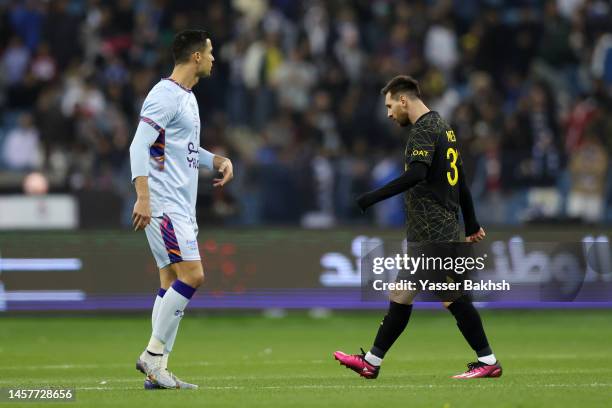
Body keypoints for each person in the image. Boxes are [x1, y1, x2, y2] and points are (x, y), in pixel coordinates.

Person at [333, 75, 501, 379]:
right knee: (401, 295)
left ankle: (488, 361)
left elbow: (417, 174)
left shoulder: (423, 130)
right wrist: (472, 222)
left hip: (435, 231)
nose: (388, 113)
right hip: (433, 230)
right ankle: (371, 362)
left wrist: (371, 197)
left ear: (403, 100)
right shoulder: (443, 128)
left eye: (389, 106)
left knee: (451, 297)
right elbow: (460, 180)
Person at [129, 29, 234, 389]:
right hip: (164, 204)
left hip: (178, 206)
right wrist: (142, 196)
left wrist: (215, 159)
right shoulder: (164, 94)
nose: (214, 58)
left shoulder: (187, 98)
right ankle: (153, 356)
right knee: (193, 276)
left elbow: (183, 149)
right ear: (196, 57)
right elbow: (137, 146)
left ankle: (158, 370)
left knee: (170, 281)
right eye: (211, 52)